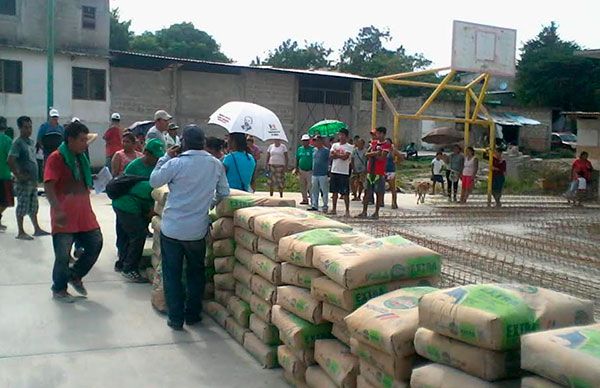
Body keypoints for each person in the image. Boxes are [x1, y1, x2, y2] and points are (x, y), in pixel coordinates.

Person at [150, 125, 230, 330]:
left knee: (172, 274)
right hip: (196, 230)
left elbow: (154, 181)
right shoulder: (215, 164)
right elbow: (224, 192)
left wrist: (165, 157)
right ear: (203, 142)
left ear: (182, 143)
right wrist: (208, 203)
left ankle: (175, 319)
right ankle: (193, 315)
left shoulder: (176, 163)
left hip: (172, 229)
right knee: (196, 273)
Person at [44, 121, 103, 303]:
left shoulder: (80, 157)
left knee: (96, 243)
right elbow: (48, 185)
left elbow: (79, 178)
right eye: (82, 140)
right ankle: (59, 288)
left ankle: (75, 275)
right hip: (64, 215)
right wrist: (57, 209)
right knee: (63, 255)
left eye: (86, 139)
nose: (86, 143)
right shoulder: (56, 158)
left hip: (84, 213)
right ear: (70, 140)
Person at [113, 139, 165, 279]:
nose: (157, 160)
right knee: (137, 235)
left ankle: (125, 263)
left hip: (138, 206)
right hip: (126, 205)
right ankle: (128, 268)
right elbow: (125, 186)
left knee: (133, 235)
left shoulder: (158, 169)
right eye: (156, 156)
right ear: (146, 153)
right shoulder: (133, 166)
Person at [7, 116, 49, 240]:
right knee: (22, 206)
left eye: (30, 127)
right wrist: (18, 175)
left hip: (33, 180)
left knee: (33, 205)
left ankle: (37, 228)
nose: (28, 130)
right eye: (25, 127)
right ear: (20, 128)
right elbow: (10, 160)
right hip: (23, 181)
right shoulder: (17, 143)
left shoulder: (30, 142)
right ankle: (21, 231)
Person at [357, 127, 391, 219]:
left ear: (383, 134)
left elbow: (382, 158)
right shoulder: (373, 143)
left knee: (378, 193)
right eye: (376, 134)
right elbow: (366, 154)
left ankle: (376, 213)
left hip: (379, 172)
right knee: (367, 192)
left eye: (379, 134)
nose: (377, 135)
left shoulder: (386, 145)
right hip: (370, 171)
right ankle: (364, 212)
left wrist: (373, 154)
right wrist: (376, 153)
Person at [329, 128, 353, 217]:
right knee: (334, 191)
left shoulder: (349, 146)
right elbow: (331, 156)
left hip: (344, 172)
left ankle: (347, 210)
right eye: (340, 135)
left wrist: (337, 155)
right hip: (334, 170)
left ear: (346, 136)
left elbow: (345, 157)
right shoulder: (335, 145)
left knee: (345, 192)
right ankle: (334, 209)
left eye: (342, 135)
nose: (341, 136)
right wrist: (338, 155)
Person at [308, 135, 329, 212]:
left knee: (324, 190)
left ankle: (325, 205)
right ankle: (314, 205)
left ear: (320, 141)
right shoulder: (314, 150)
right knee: (314, 190)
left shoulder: (326, 151)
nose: (315, 142)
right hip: (314, 173)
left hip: (323, 173)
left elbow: (329, 161)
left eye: (316, 140)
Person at [0, 120, 14, 231]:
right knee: (6, 201)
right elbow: (10, 159)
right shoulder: (7, 140)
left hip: (4, 174)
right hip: (4, 174)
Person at [295, 134, 314, 205]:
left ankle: (313, 200)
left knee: (310, 186)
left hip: (309, 170)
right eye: (303, 141)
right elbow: (297, 159)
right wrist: (296, 168)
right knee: (302, 186)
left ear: (309, 141)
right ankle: (304, 199)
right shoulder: (300, 149)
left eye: (306, 141)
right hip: (301, 170)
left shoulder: (312, 149)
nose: (305, 142)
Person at [384, 138, 403, 209]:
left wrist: (396, 163)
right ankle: (381, 202)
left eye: (388, 142)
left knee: (392, 188)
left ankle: (394, 202)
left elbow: (401, 157)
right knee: (381, 187)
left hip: (391, 171)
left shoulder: (393, 150)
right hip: (383, 170)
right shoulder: (383, 149)